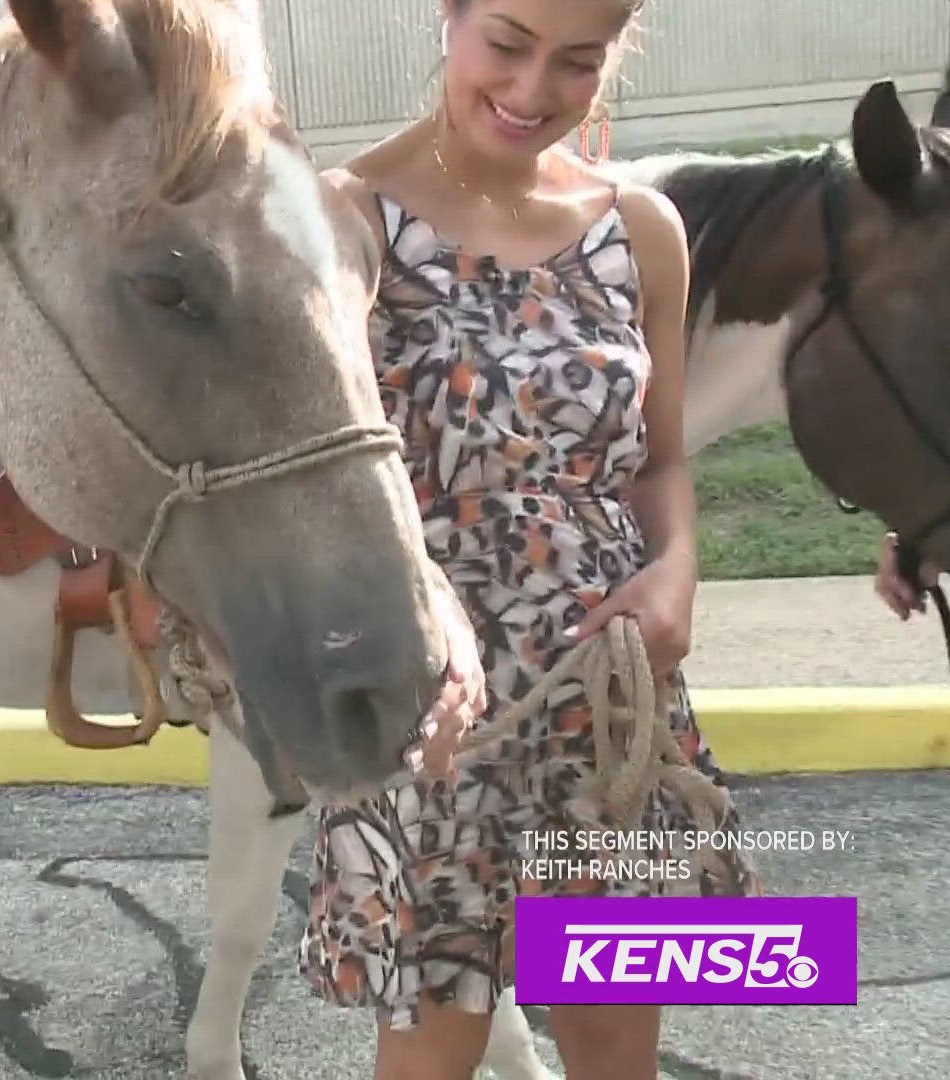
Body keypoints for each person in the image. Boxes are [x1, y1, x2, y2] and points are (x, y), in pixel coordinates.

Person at [298, 1, 760, 1076]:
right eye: (506, 44)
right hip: (431, 705)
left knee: (612, 1041)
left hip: (606, 702)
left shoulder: (640, 227)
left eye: (577, 62)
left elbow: (660, 461)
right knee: (434, 1052)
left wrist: (680, 569)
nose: (533, 89)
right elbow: (319, 475)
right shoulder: (348, 218)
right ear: (447, 20)